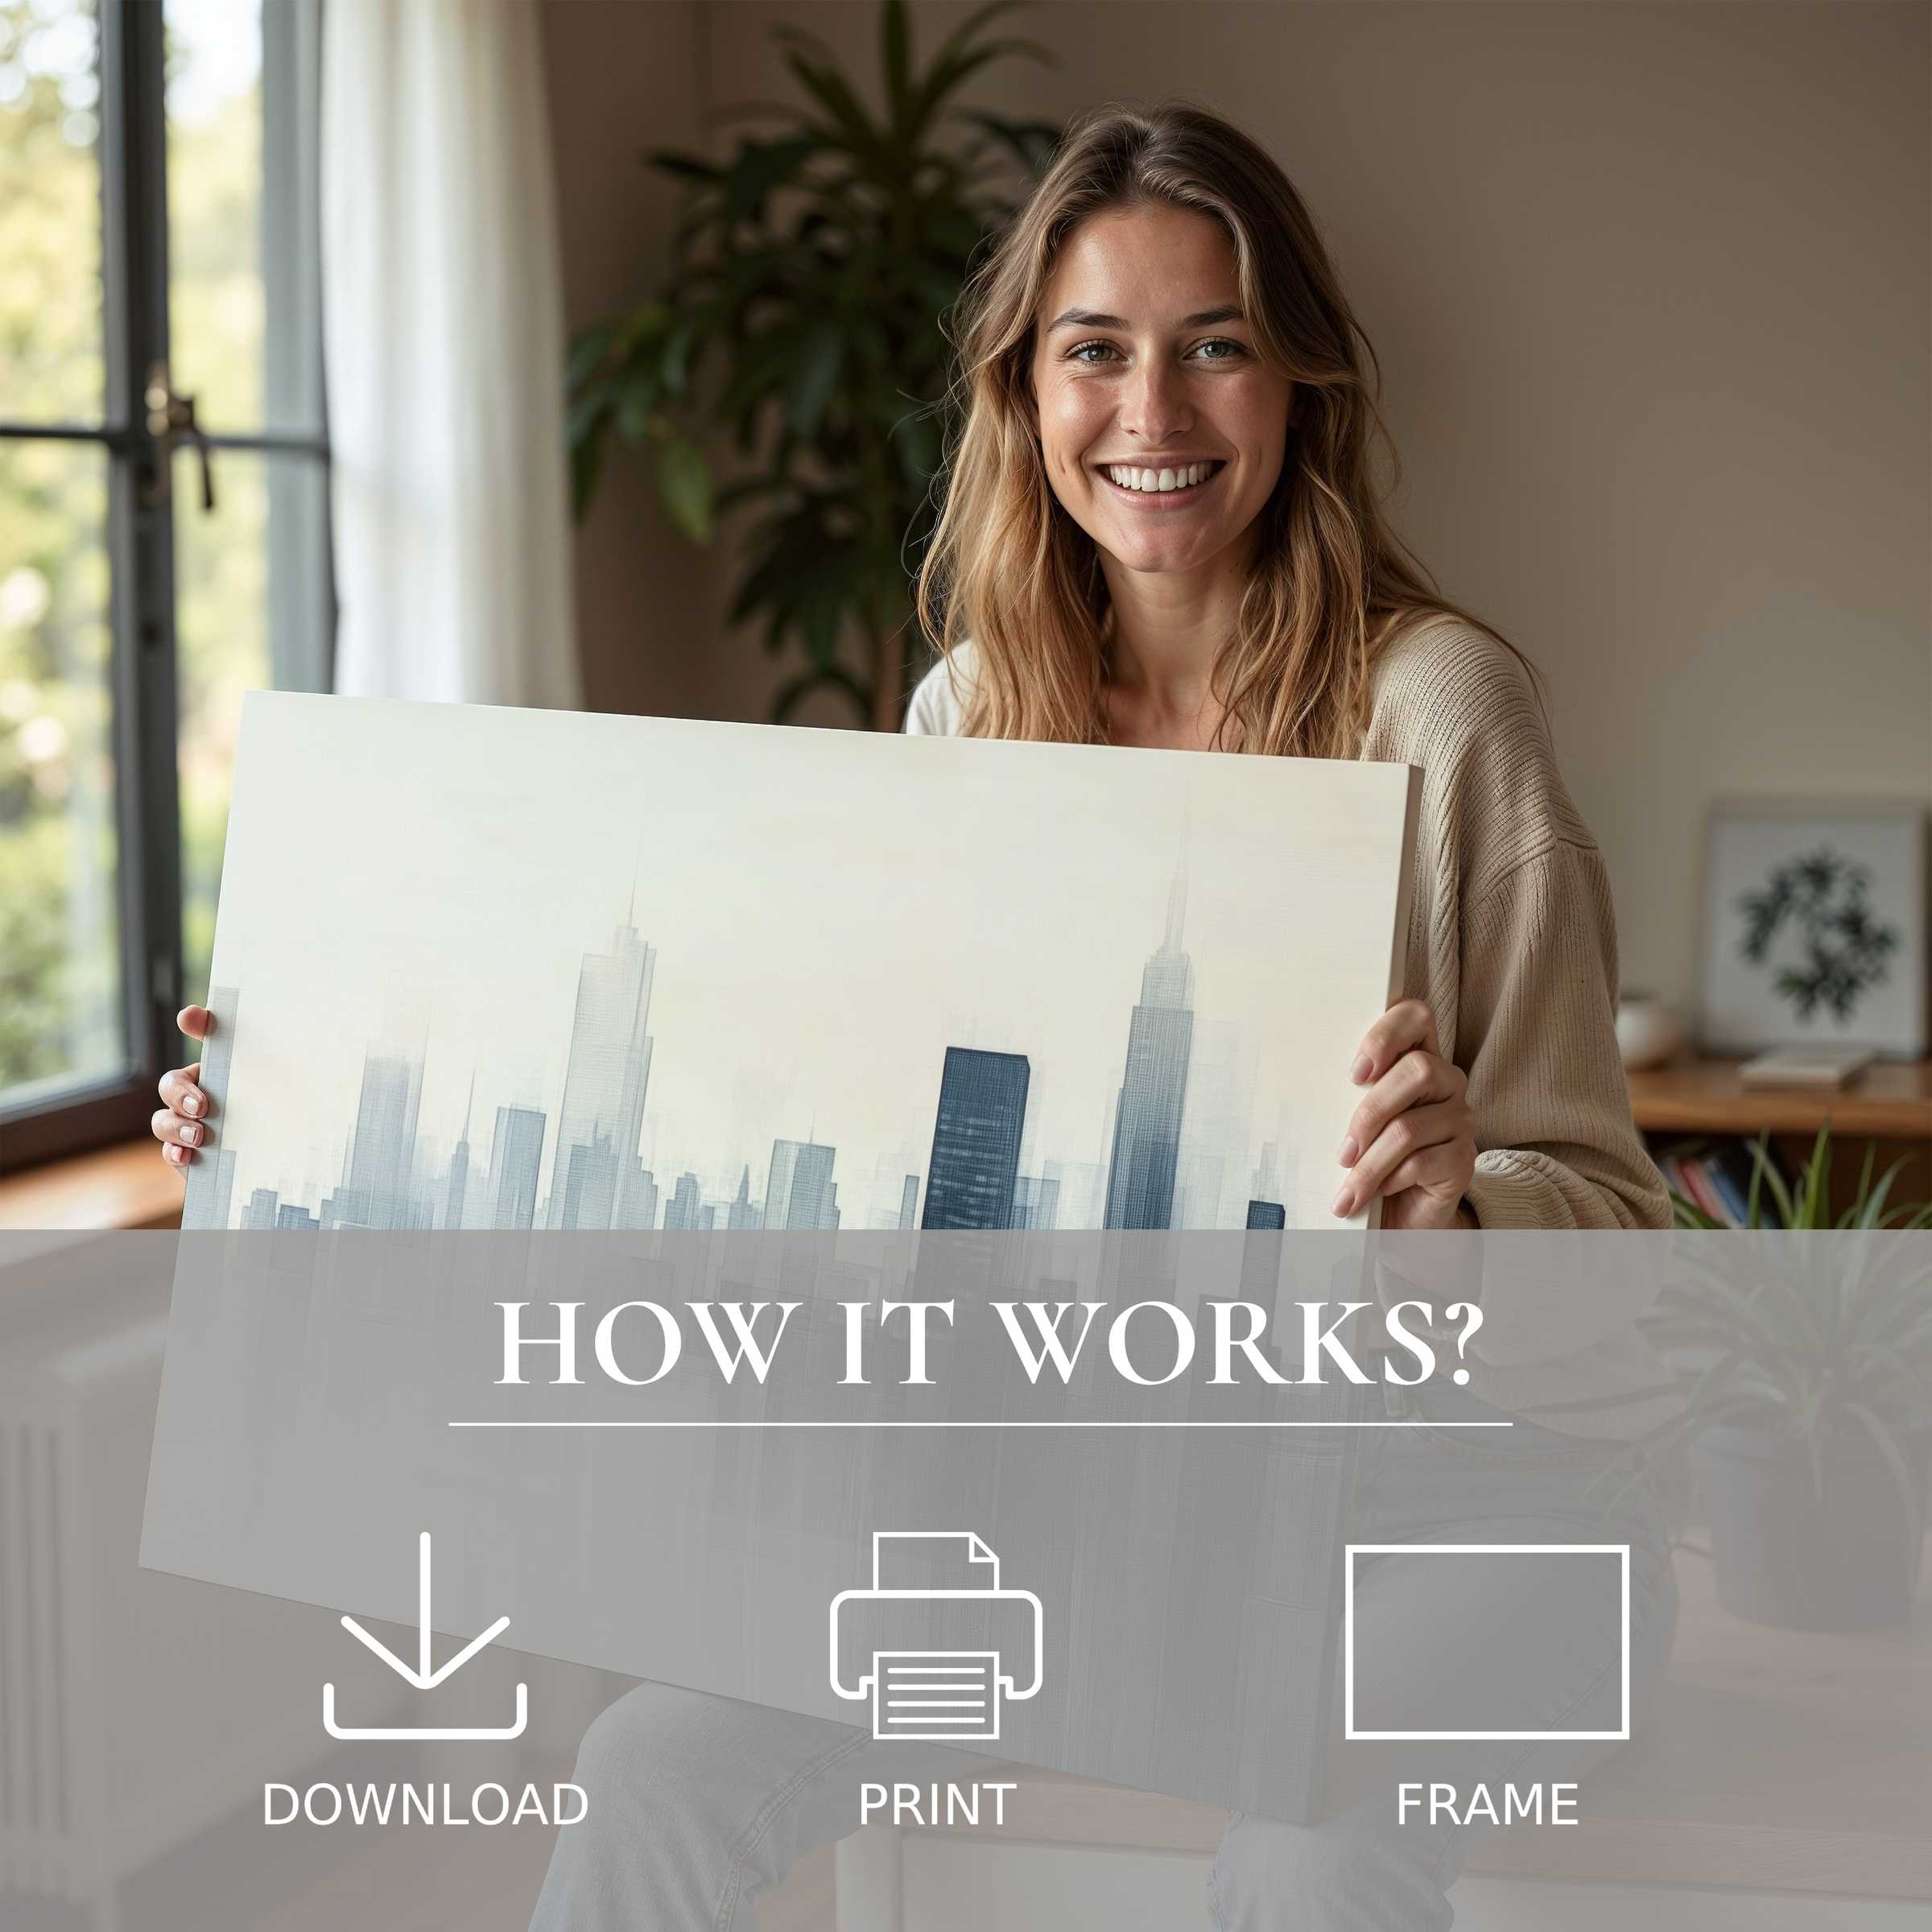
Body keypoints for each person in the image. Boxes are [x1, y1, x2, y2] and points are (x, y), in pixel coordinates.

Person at [152, 101, 1677, 1930]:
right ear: (1025, 394)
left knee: (1303, 1861)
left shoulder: (1445, 714)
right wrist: (294, 1107)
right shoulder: (975, 714)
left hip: (1456, 1525)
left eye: (1218, 350)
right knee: (650, 1764)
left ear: (1302, 388)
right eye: (1093, 352)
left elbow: (1625, 1265)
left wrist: (1464, 1221)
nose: (1156, 416)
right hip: (1081, 1522)